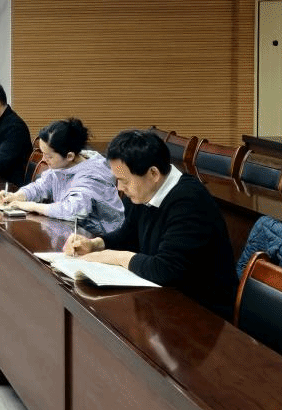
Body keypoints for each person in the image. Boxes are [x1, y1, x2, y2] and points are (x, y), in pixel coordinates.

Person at [63, 129, 238, 318]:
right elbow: (128, 236)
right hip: (164, 298)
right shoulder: (143, 191)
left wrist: (113, 257)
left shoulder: (189, 202)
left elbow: (166, 269)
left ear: (153, 173)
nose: (120, 188)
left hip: (202, 312)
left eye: (124, 180)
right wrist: (95, 244)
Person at [0, 118, 124, 236]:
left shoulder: (92, 176)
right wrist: (16, 196)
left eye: (49, 156)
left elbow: (71, 210)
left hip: (102, 239)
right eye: (43, 153)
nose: (44, 159)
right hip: (71, 233)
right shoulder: (64, 165)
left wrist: (31, 206)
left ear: (69, 156)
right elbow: (40, 186)